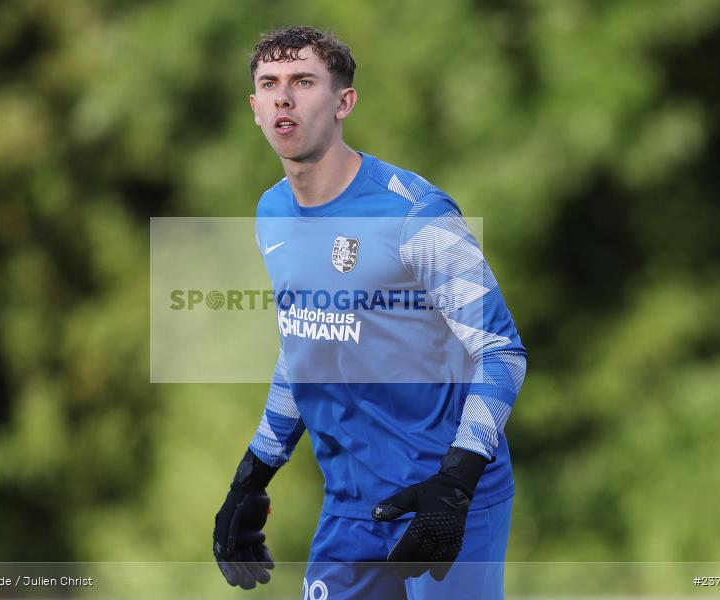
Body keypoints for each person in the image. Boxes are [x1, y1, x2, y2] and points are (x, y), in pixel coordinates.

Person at [213, 26, 527, 600]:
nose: (284, 98)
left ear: (344, 102)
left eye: (303, 82)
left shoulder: (416, 214)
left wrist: (457, 481)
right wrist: (253, 474)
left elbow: (501, 352)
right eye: (270, 84)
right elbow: (306, 346)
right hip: (351, 507)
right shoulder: (271, 213)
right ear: (255, 108)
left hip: (441, 502)